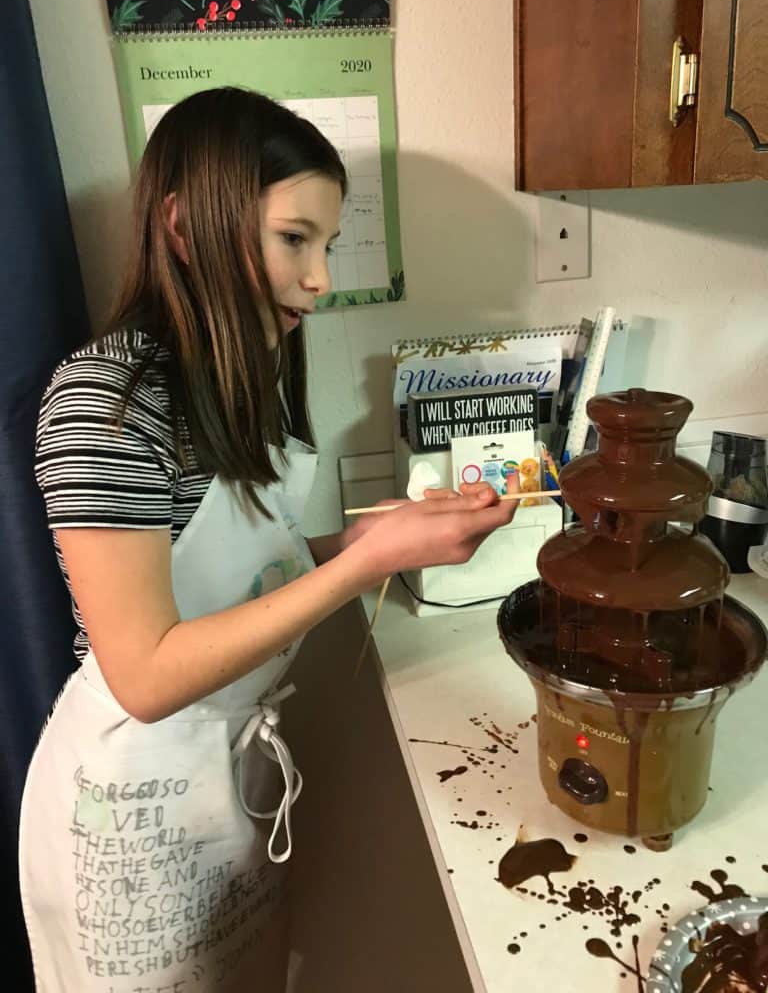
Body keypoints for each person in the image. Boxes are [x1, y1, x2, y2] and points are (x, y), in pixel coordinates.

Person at [19, 87, 517, 993]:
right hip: (137, 807)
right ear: (182, 224)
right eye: (296, 238)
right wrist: (370, 560)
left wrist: (395, 534)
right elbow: (149, 672)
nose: (321, 278)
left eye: (325, 243)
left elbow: (261, 565)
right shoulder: (104, 402)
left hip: (232, 786)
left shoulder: (239, 373)